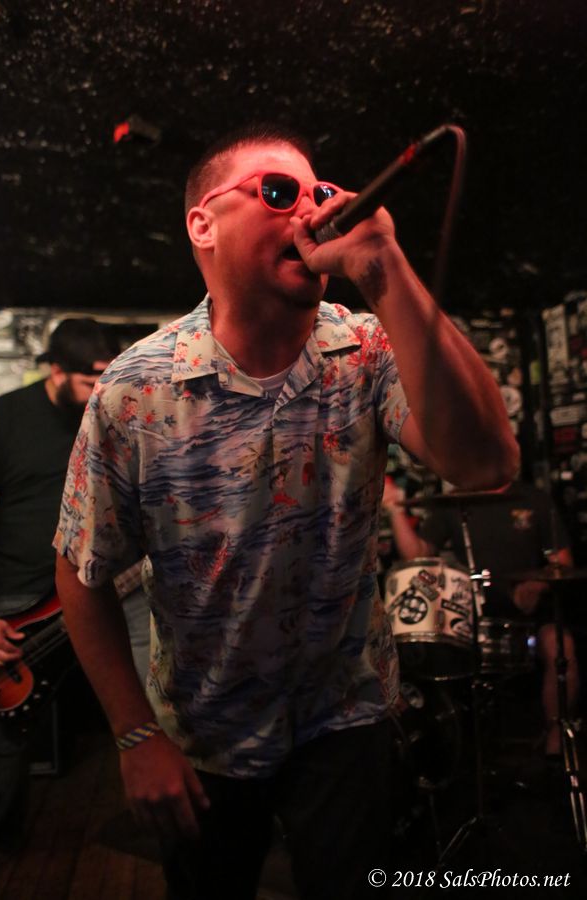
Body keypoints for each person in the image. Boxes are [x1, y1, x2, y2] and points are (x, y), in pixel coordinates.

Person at [54, 124, 519, 900]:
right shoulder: (136, 390)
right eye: (278, 192)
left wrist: (385, 268)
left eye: (319, 192)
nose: (311, 209)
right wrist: (135, 734)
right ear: (203, 224)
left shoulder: (366, 349)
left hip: (347, 717)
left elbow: (488, 464)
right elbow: (80, 569)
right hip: (206, 733)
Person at [0, 318, 150, 848]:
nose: (101, 389)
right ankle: (0, 850)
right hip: (21, 594)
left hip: (117, 585)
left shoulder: (119, 412)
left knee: (156, 696)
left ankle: (166, 822)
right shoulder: (4, 418)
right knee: (2, 733)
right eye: (90, 379)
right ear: (55, 372)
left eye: (108, 377)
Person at [381, 477, 578, 757]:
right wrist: (394, 509)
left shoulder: (535, 499)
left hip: (530, 613)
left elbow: (562, 561)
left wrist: (536, 585)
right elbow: (418, 554)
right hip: (470, 614)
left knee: (562, 649)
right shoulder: (454, 502)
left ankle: (556, 738)